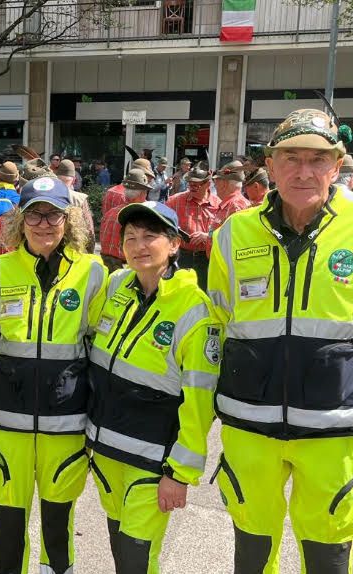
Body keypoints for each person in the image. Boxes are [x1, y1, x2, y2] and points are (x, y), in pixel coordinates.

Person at [208, 109, 353, 573]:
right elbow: (217, 320)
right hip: (249, 423)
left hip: (333, 427)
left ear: (336, 166)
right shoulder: (234, 232)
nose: (303, 171)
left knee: (327, 550)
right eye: (291, 158)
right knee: (252, 550)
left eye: (317, 159)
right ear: (270, 166)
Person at [0, 176, 107, 574]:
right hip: (7, 420)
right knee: (8, 518)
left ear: (69, 220)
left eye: (54, 215)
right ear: (20, 220)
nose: (44, 224)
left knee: (57, 518)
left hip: (66, 421)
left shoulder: (93, 273)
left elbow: (99, 347)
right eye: (35, 215)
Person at [88, 200, 220, 574]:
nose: (139, 246)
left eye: (150, 236)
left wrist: (179, 473)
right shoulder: (117, 285)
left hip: (151, 462)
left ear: (174, 244)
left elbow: (199, 401)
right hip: (107, 453)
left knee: (137, 559)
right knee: (121, 550)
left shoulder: (194, 310)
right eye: (130, 237)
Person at [166, 162, 218, 290]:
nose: (192, 187)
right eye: (190, 184)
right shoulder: (174, 201)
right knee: (180, 292)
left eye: (196, 184)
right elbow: (163, 228)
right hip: (182, 257)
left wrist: (208, 236)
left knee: (205, 294)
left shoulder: (219, 204)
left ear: (207, 184)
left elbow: (226, 233)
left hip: (207, 259)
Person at [99, 169, 151, 272]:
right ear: (142, 194)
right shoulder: (140, 217)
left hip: (104, 265)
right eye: (146, 192)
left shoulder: (110, 213)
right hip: (124, 267)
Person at [213, 160, 251, 226]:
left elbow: (236, 231)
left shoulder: (235, 205)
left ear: (224, 183)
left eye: (217, 181)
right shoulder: (232, 204)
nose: (215, 185)